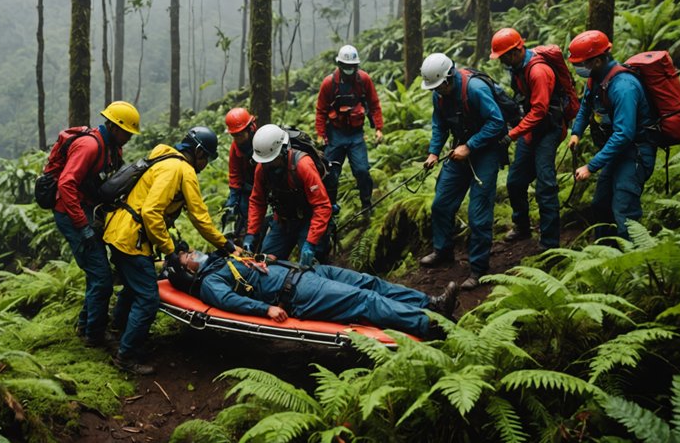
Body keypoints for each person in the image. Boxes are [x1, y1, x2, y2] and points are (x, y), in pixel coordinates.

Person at [102, 126, 241, 374]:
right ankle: (126, 356)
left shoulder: (162, 156)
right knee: (147, 299)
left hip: (119, 231)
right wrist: (171, 251)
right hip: (131, 239)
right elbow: (159, 213)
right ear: (197, 152)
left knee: (134, 289)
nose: (206, 164)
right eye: (206, 157)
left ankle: (118, 334)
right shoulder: (182, 169)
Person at [164, 248, 459, 339]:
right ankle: (428, 325)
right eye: (188, 256)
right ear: (188, 272)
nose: (194, 253)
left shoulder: (222, 260)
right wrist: (264, 310)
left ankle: (432, 304)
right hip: (298, 293)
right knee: (362, 300)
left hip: (307, 273)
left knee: (370, 283)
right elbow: (229, 301)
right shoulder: (209, 282)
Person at [51, 101, 139, 348]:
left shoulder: (113, 148)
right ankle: (95, 335)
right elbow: (66, 184)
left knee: (96, 272)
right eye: (127, 132)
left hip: (86, 209)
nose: (129, 138)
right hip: (71, 213)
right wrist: (83, 227)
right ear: (113, 126)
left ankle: (85, 324)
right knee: (101, 276)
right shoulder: (89, 146)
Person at [418, 53, 505, 290]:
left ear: (449, 78)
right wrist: (434, 152)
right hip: (458, 151)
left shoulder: (475, 89)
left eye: (439, 86)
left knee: (478, 214)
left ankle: (478, 269)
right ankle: (443, 250)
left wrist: (471, 146)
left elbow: (497, 123)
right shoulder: (439, 96)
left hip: (485, 152)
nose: (437, 91)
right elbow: (439, 124)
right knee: (441, 204)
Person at [567, 30, 656, 241]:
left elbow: (624, 134)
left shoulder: (624, 87)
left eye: (581, 64)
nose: (578, 68)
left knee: (625, 213)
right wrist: (576, 133)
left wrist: (591, 166)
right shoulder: (596, 79)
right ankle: (604, 254)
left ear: (597, 60)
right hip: (616, 153)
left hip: (634, 154)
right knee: (600, 205)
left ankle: (633, 265)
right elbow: (585, 106)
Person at [491, 28, 567, 251]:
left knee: (545, 184)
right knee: (515, 181)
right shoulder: (517, 68)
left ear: (515, 51)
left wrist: (512, 134)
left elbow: (540, 111)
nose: (502, 61)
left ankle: (550, 242)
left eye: (503, 56)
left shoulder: (538, 71)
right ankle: (522, 226)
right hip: (531, 129)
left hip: (549, 128)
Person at [245, 124, 333, 267]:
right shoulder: (262, 168)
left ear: (283, 151)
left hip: (309, 220)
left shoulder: (303, 165)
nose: (268, 165)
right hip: (283, 220)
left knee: (312, 267)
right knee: (265, 263)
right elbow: (257, 201)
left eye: (272, 160)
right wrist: (251, 235)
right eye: (265, 162)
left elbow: (322, 206)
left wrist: (310, 242)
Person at [315, 44, 384, 213]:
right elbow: (321, 110)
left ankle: (366, 204)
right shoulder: (329, 84)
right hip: (335, 134)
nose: (349, 69)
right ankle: (328, 207)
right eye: (346, 66)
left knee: (362, 170)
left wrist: (378, 128)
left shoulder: (364, 80)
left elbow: (374, 104)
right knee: (330, 173)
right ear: (339, 65)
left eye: (352, 66)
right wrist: (320, 134)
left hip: (356, 135)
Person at [223, 107, 259, 238]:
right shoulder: (235, 147)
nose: (237, 139)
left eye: (239, 135)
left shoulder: (262, 140)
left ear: (249, 129)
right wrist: (233, 201)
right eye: (234, 136)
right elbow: (234, 174)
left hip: (266, 186)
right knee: (233, 212)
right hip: (247, 187)